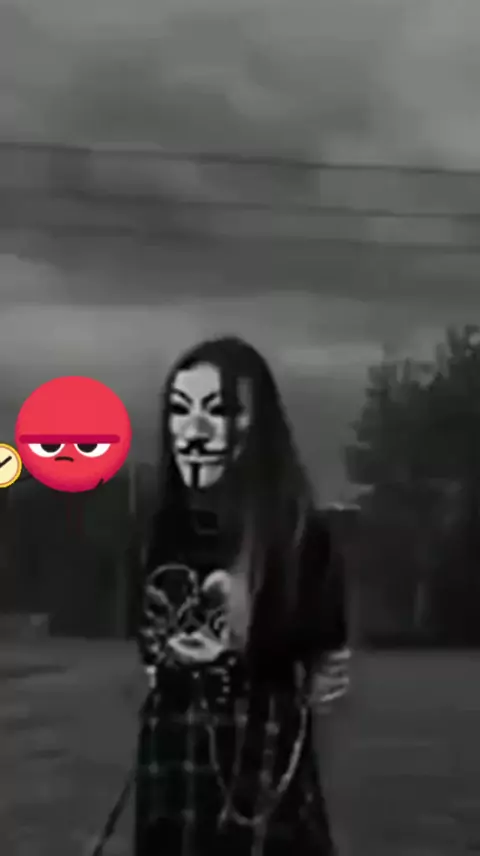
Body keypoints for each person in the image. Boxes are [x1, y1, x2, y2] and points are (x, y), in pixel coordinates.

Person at [135, 336, 350, 856]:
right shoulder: (161, 530)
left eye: (220, 410)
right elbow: (151, 651)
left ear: (259, 424)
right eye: (180, 410)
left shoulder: (298, 536)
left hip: (259, 757)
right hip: (173, 755)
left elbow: (327, 672)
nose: (195, 430)